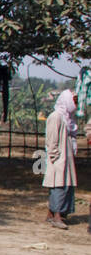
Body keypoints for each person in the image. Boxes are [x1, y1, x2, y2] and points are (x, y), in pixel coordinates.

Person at [43, 89, 77, 230]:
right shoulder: (55, 116)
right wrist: (54, 156)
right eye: (74, 101)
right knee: (58, 186)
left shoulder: (67, 118)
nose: (75, 104)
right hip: (59, 158)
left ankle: (53, 214)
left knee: (65, 185)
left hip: (66, 157)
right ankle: (56, 216)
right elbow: (51, 140)